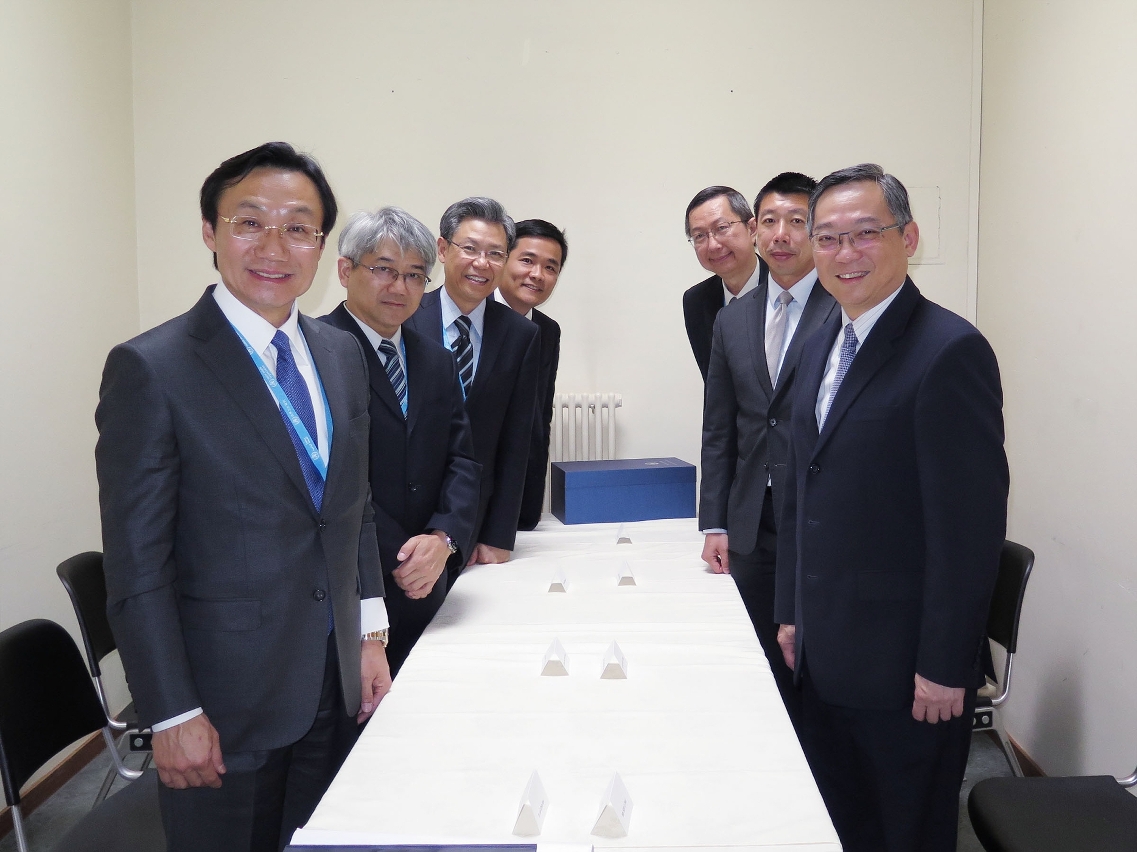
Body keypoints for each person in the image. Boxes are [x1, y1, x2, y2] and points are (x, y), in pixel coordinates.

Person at [96, 142, 392, 852]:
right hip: (224, 704)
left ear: (321, 245)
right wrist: (170, 713)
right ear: (209, 232)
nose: (274, 246)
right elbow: (137, 563)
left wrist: (370, 631)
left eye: (298, 227)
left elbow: (352, 507)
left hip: (331, 680)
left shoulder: (341, 353)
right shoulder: (152, 369)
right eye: (248, 221)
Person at [774, 164, 1008, 851]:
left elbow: (967, 529)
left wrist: (943, 662)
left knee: (905, 831)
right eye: (828, 239)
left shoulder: (948, 350)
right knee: (840, 822)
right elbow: (798, 488)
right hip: (823, 649)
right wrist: (791, 610)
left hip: (903, 666)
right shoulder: (819, 341)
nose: (844, 255)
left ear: (907, 238)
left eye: (864, 234)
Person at [699, 172, 836, 729]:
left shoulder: (843, 307)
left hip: (818, 517)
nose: (782, 235)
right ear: (755, 231)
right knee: (759, 660)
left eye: (798, 222)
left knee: (817, 661)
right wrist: (715, 522)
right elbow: (719, 428)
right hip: (752, 521)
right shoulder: (733, 317)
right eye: (770, 222)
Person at [322, 206, 480, 676]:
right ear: (345, 271)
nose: (400, 287)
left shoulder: (435, 359)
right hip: (352, 582)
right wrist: (404, 554)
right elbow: (328, 477)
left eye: (415, 275)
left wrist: (443, 537)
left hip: (431, 573)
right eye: (384, 270)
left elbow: (462, 460)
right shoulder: (316, 353)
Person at [405, 197, 539, 577]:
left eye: (496, 253)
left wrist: (500, 535)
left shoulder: (521, 335)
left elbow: (516, 443)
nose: (483, 263)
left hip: (476, 526)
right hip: (406, 518)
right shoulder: (405, 317)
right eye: (470, 249)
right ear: (443, 249)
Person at [494, 218, 567, 531]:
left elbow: (540, 417)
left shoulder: (547, 330)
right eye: (527, 260)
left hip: (520, 496)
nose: (537, 275)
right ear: (504, 258)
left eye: (551, 267)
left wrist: (532, 499)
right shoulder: (471, 318)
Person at [682, 186, 770, 381]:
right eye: (700, 236)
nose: (713, 245)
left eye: (721, 228)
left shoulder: (785, 287)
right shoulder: (696, 301)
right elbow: (713, 383)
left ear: (752, 229)